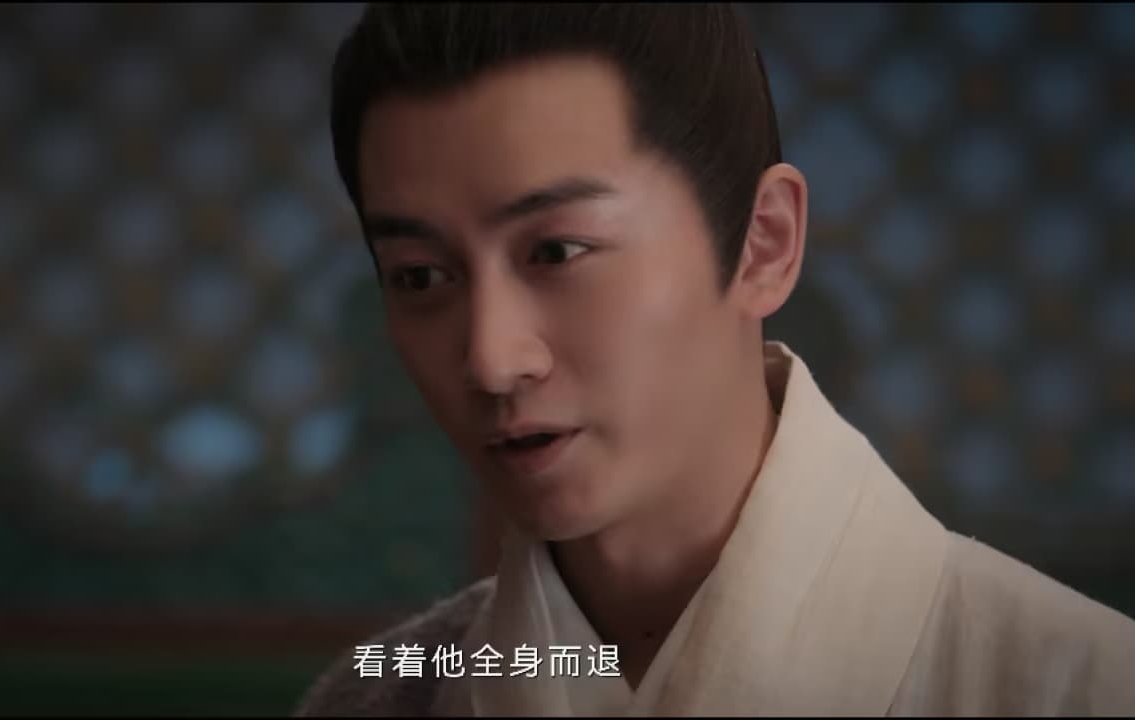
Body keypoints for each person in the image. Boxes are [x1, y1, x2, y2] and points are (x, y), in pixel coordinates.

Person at [295, 3, 1135, 716]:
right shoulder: (380, 698)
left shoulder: (1086, 687)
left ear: (764, 242)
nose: (490, 359)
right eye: (421, 276)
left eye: (556, 251)